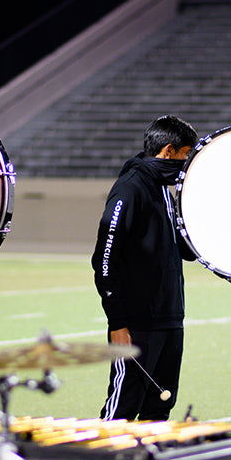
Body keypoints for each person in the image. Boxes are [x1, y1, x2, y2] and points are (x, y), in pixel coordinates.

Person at [92, 115, 198, 421]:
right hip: (137, 322)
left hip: (169, 316)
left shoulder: (164, 188)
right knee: (122, 408)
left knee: (159, 407)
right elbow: (105, 258)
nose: (186, 165)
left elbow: (185, 249)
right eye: (184, 156)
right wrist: (117, 321)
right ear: (168, 151)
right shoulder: (130, 188)